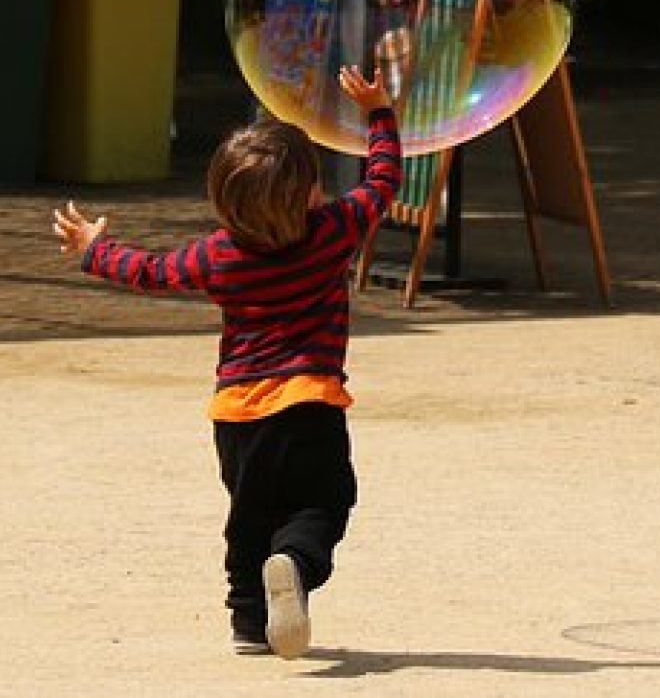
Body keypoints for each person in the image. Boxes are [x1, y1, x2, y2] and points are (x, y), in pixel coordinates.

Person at [52, 66, 402, 660]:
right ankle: (293, 564)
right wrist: (378, 113)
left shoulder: (218, 255)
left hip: (236, 416)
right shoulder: (333, 231)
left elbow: (150, 272)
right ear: (311, 192)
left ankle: (248, 622)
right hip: (309, 405)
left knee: (249, 517)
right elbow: (384, 180)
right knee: (320, 504)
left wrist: (94, 249)